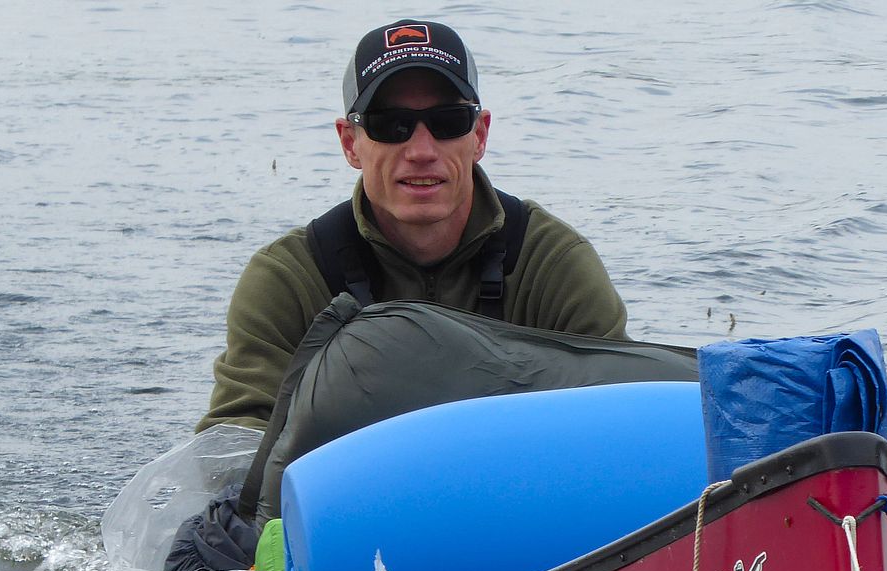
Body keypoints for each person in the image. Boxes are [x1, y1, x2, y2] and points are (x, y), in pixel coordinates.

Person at [197, 18, 629, 433]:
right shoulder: (287, 279)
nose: (422, 151)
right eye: (391, 126)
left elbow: (619, 416)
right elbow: (237, 433)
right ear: (350, 143)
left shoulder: (552, 264)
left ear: (479, 135)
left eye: (448, 122)